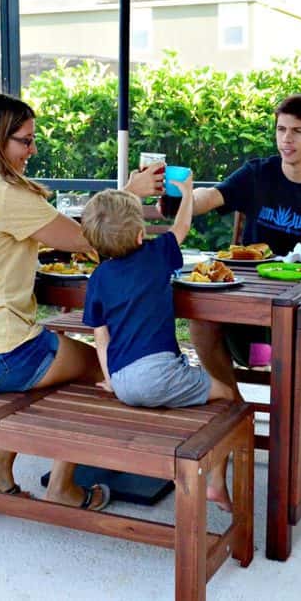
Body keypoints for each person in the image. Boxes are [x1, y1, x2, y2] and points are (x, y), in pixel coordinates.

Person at [0, 92, 164, 511]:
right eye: (25, 140)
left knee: (53, 352)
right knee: (104, 368)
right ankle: (62, 487)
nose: (33, 149)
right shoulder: (1, 192)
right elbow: (89, 238)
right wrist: (130, 191)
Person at [165, 94, 301, 392]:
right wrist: (181, 198)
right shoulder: (257, 174)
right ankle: (232, 403)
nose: (286, 139)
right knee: (201, 319)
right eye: (281, 129)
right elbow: (212, 197)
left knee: (297, 331)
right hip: (248, 299)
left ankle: (292, 418)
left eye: (297, 131)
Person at [79, 176, 236, 511]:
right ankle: (216, 483)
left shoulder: (98, 279)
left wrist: (110, 379)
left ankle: (209, 472)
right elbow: (181, 226)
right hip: (159, 376)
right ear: (140, 235)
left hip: (121, 382)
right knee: (230, 398)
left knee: (186, 386)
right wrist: (188, 191)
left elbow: (101, 337)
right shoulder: (156, 254)